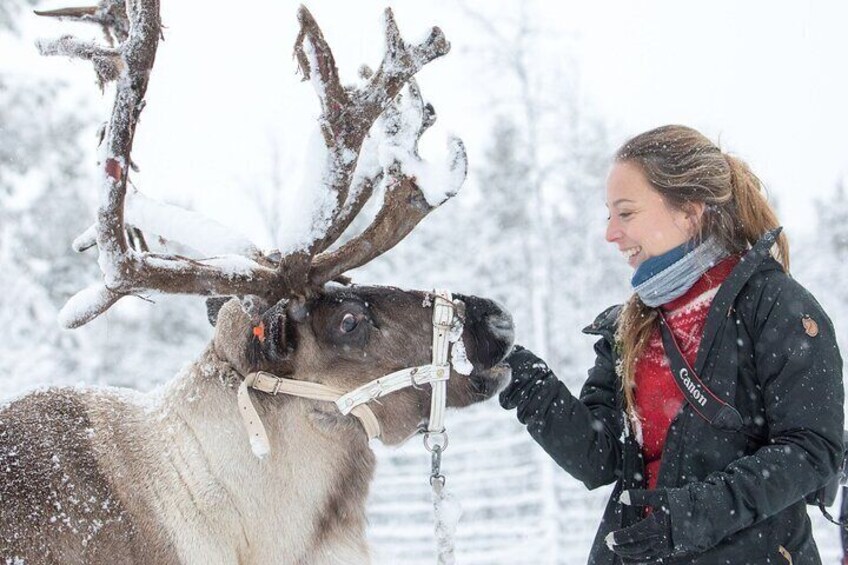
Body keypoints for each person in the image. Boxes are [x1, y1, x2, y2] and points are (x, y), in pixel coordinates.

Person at [500, 124, 844, 564]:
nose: (610, 233)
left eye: (625, 213)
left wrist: (689, 518)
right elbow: (599, 457)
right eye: (609, 215)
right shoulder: (630, 325)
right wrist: (520, 376)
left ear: (689, 212)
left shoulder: (777, 307)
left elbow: (812, 451)